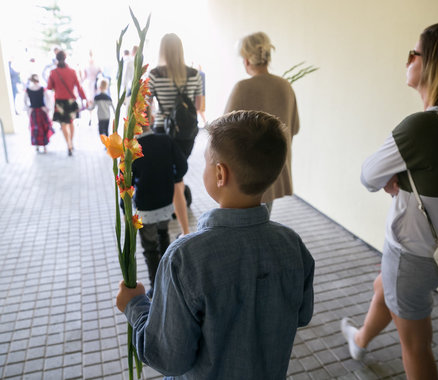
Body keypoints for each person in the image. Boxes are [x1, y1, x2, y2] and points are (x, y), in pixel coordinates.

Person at [116, 110, 314, 379]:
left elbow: (168, 356)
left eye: (207, 161)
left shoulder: (184, 258)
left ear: (220, 173)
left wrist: (135, 305)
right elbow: (301, 315)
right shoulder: (292, 244)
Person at [341, 22, 438, 380]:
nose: (408, 60)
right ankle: (359, 340)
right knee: (383, 286)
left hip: (411, 254)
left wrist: (397, 179)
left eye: (414, 53)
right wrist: (407, 178)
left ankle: (359, 341)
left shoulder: (420, 127)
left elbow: (368, 176)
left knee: (417, 347)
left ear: (434, 64)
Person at [225, 32, 300, 216]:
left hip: (245, 176)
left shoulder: (242, 88)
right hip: (273, 171)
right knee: (263, 219)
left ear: (246, 60)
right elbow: (295, 127)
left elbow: (222, 134)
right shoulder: (285, 86)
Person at [147, 33, 203, 236]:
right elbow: (199, 105)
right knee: (176, 176)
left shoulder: (154, 75)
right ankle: (181, 221)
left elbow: (146, 107)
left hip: (163, 132)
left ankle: (185, 231)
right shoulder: (194, 74)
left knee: (174, 181)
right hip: (187, 134)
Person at [129, 123, 188, 298]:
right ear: (151, 118)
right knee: (164, 237)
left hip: (145, 205)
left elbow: (127, 180)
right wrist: (174, 178)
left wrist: (123, 205)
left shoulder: (131, 149)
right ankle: (169, 280)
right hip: (166, 201)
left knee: (150, 248)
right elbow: (182, 165)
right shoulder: (165, 140)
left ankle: (156, 289)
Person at [47, 50, 87, 156]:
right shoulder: (72, 71)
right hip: (70, 101)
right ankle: (71, 142)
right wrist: (84, 98)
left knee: (63, 124)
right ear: (65, 58)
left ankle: (68, 144)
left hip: (59, 101)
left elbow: (49, 87)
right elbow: (79, 87)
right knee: (71, 122)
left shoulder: (53, 72)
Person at [24, 74, 54, 153]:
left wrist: (28, 108)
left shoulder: (28, 89)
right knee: (43, 128)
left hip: (33, 111)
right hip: (42, 111)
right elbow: (48, 99)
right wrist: (48, 109)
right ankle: (44, 147)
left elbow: (25, 101)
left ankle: (37, 146)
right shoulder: (42, 88)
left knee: (35, 129)